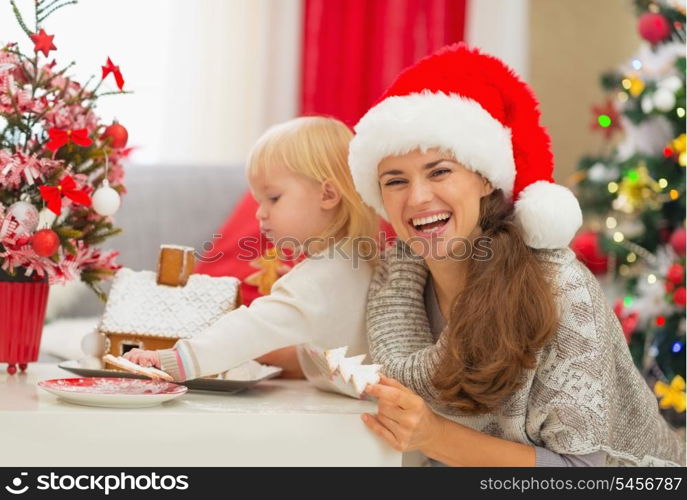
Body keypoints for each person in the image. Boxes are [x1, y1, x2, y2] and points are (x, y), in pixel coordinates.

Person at [347, 43, 684, 466]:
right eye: (395, 181)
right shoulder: (394, 282)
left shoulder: (557, 287)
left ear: (486, 179)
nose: (417, 197)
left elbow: (583, 473)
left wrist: (435, 437)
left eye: (440, 172)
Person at [125, 116, 379, 384]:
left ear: (327, 195)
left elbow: (251, 328)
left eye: (273, 198)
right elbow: (340, 345)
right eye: (259, 201)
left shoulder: (321, 277)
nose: (260, 213)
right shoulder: (359, 261)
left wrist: (175, 360)